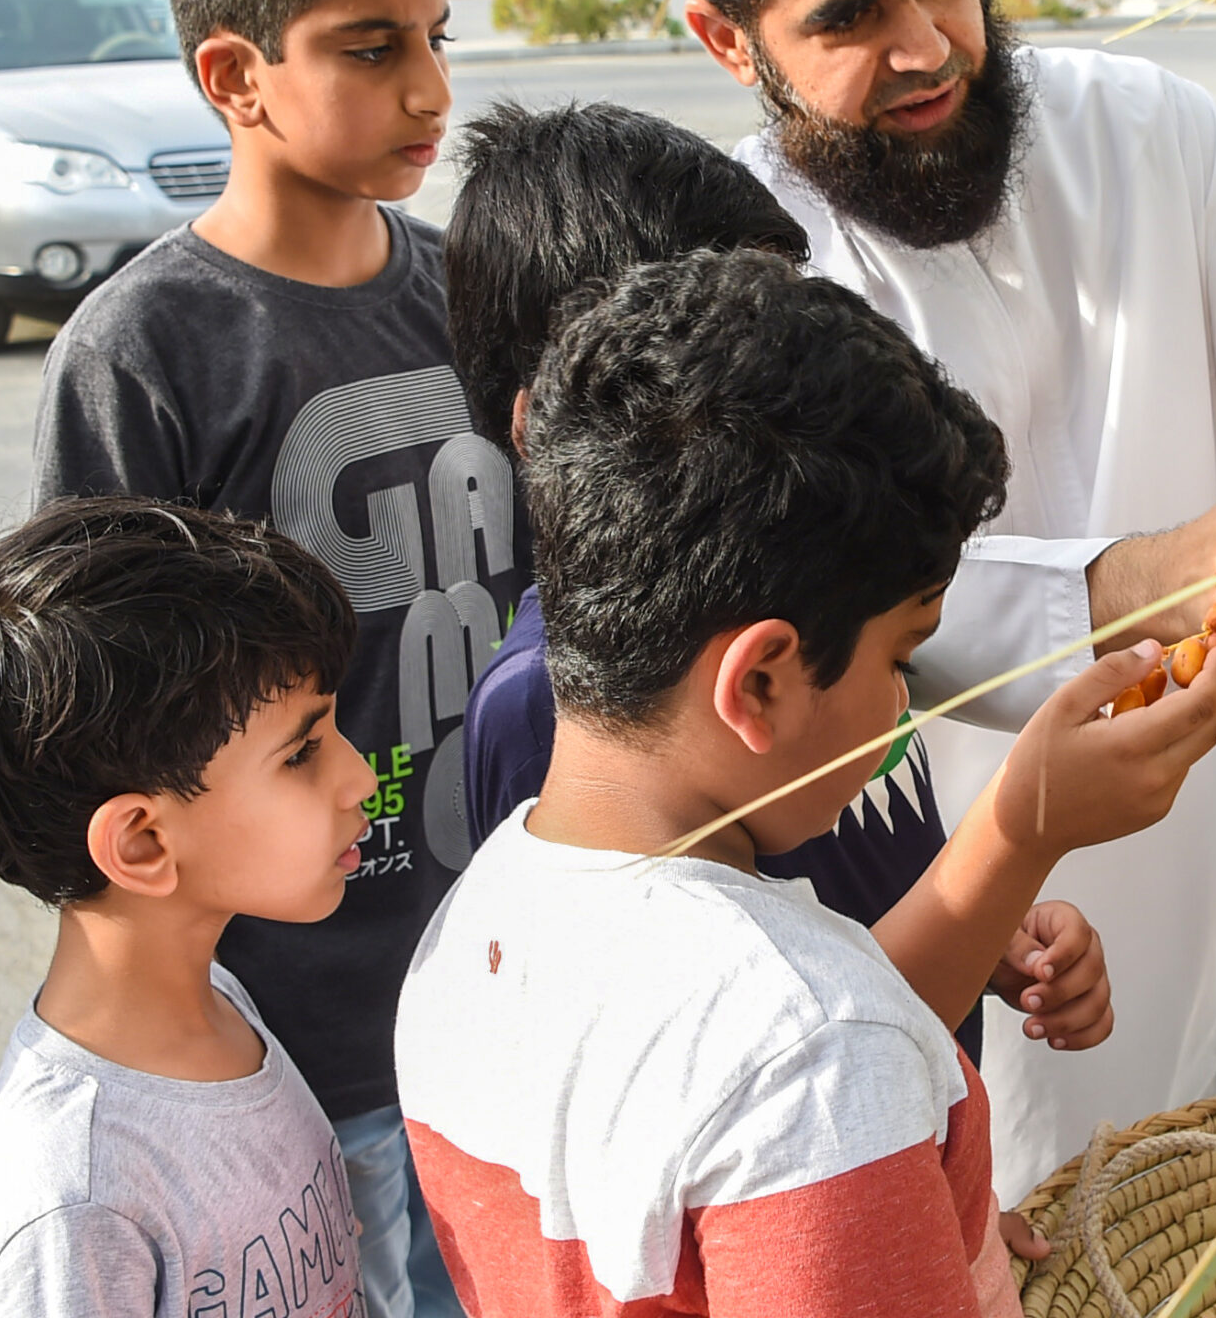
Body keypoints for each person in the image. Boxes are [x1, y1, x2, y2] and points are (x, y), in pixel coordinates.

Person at [397, 247, 1216, 1318]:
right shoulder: (806, 1042)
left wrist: (1022, 835)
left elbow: (707, 1207)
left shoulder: (486, 923)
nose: (902, 706)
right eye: (899, 658)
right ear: (760, 678)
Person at [646, 0, 1216, 1202]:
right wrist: (1147, 580)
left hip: (1188, 868)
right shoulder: (745, 258)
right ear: (725, 37)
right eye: (852, 17)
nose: (931, 45)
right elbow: (819, 591)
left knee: (1167, 1265)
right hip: (911, 907)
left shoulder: (1147, 130)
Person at [30, 0, 506, 1318]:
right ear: (235, 73)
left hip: (504, 1009)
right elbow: (100, 729)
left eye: (439, 33)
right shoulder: (147, 351)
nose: (431, 85)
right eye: (371, 45)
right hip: (302, 1048)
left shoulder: (473, 297)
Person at [445, 99, 1111, 1065]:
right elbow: (759, 1071)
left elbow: (858, 928)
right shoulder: (556, 718)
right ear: (550, 416)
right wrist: (1013, 838)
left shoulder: (807, 611)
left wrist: (985, 922)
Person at [0, 498, 451, 1318]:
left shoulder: (231, 1006)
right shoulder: (78, 1185)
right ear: (143, 841)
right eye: (304, 750)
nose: (360, 774)